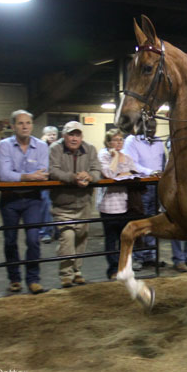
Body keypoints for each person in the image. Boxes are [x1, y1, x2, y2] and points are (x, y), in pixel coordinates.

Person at [0, 110, 48, 294]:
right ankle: (14, 278)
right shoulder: (4, 145)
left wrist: (20, 177)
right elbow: (4, 174)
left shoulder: (41, 146)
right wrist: (28, 176)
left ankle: (33, 279)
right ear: (12, 126)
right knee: (10, 240)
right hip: (10, 198)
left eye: (28, 123)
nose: (25, 126)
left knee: (33, 239)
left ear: (32, 125)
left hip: (32, 199)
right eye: (20, 123)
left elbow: (43, 172)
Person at [49, 121, 101, 288]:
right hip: (62, 203)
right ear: (64, 136)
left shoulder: (90, 149)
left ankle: (77, 271)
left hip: (84, 202)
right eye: (71, 134)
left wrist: (90, 176)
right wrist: (73, 178)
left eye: (77, 135)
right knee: (67, 237)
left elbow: (97, 170)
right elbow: (53, 171)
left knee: (81, 237)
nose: (74, 138)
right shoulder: (55, 149)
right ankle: (66, 274)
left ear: (82, 137)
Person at [97, 129, 141, 280]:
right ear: (108, 142)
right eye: (115, 140)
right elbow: (109, 174)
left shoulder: (127, 157)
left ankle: (124, 268)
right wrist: (115, 157)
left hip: (125, 204)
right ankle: (112, 270)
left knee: (125, 239)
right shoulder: (103, 155)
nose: (118, 143)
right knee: (111, 240)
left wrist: (121, 174)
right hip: (108, 205)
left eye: (121, 140)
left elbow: (134, 174)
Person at [122, 117, 165, 268]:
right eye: (149, 126)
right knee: (139, 221)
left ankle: (150, 255)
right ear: (140, 126)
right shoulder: (132, 141)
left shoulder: (159, 141)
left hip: (156, 186)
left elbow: (163, 162)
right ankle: (137, 257)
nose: (152, 130)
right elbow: (131, 163)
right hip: (140, 186)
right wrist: (151, 172)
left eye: (154, 126)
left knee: (153, 222)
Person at [39, 126, 59, 244]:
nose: (52, 136)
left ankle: (58, 230)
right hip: (45, 181)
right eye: (49, 134)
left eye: (54, 134)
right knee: (45, 206)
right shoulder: (40, 147)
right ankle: (45, 232)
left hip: (56, 181)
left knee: (57, 207)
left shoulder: (60, 147)